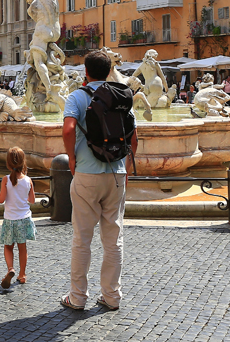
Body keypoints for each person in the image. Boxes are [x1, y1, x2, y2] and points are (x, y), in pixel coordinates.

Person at [60, 50, 137, 312]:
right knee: (113, 238)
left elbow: (69, 128)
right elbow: (133, 138)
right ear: (109, 71)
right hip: (116, 173)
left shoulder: (77, 96)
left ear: (86, 72)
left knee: (82, 238)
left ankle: (77, 298)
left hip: (87, 173)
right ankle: (111, 296)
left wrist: (71, 157)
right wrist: (124, 163)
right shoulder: (121, 96)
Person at [0, 146, 36, 289]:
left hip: (10, 219)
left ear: (8, 163)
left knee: (8, 246)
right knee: (22, 247)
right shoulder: (28, 180)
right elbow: (32, 200)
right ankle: (22, 275)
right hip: (24, 219)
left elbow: (1, 199)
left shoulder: (5, 179)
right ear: (23, 162)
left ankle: (11, 269)